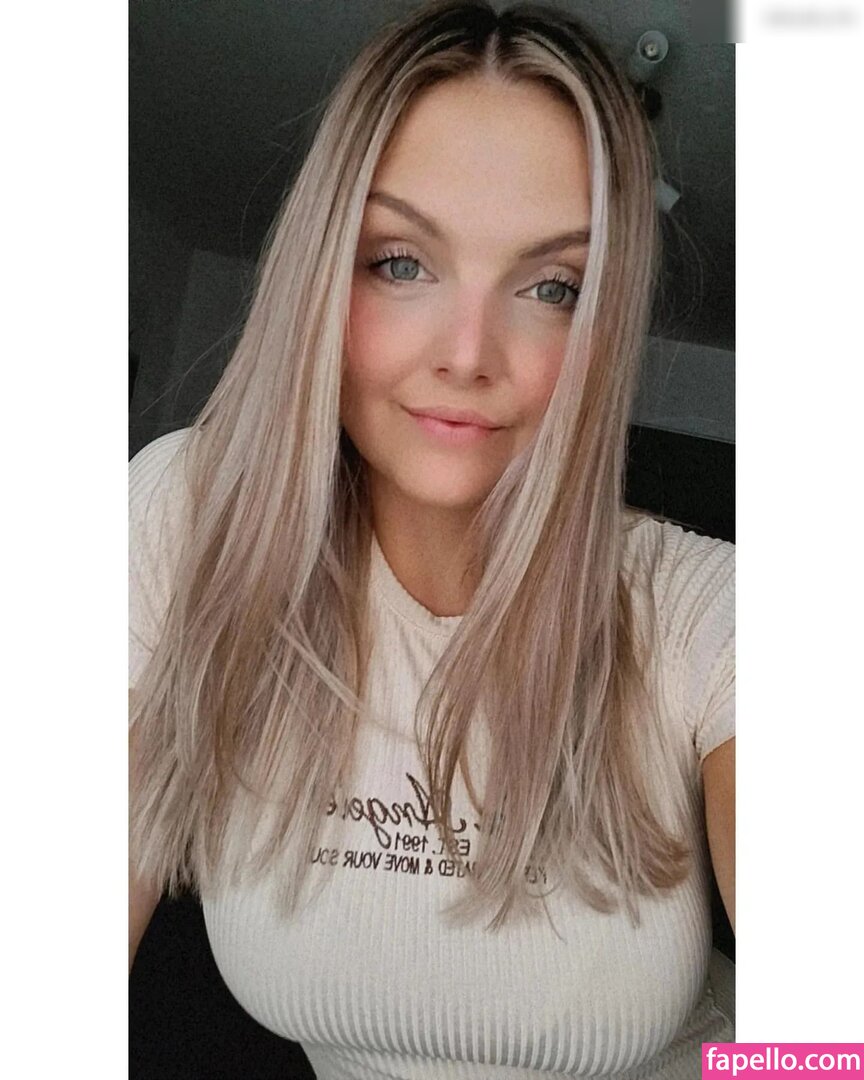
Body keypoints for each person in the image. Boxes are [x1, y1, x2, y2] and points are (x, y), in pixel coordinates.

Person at [129, 2, 735, 1076]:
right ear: (320, 273)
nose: (468, 353)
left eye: (553, 287)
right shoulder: (192, 517)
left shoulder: (709, 612)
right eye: (401, 262)